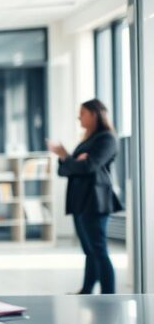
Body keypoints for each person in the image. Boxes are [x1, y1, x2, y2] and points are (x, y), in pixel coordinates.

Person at [48, 99, 123, 294]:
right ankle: (87, 291)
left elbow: (90, 166)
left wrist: (71, 159)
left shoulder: (107, 139)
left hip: (95, 202)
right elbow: (64, 170)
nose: (78, 117)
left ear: (94, 114)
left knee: (99, 251)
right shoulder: (87, 140)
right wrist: (70, 159)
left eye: (82, 113)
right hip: (80, 202)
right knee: (89, 251)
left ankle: (108, 295)